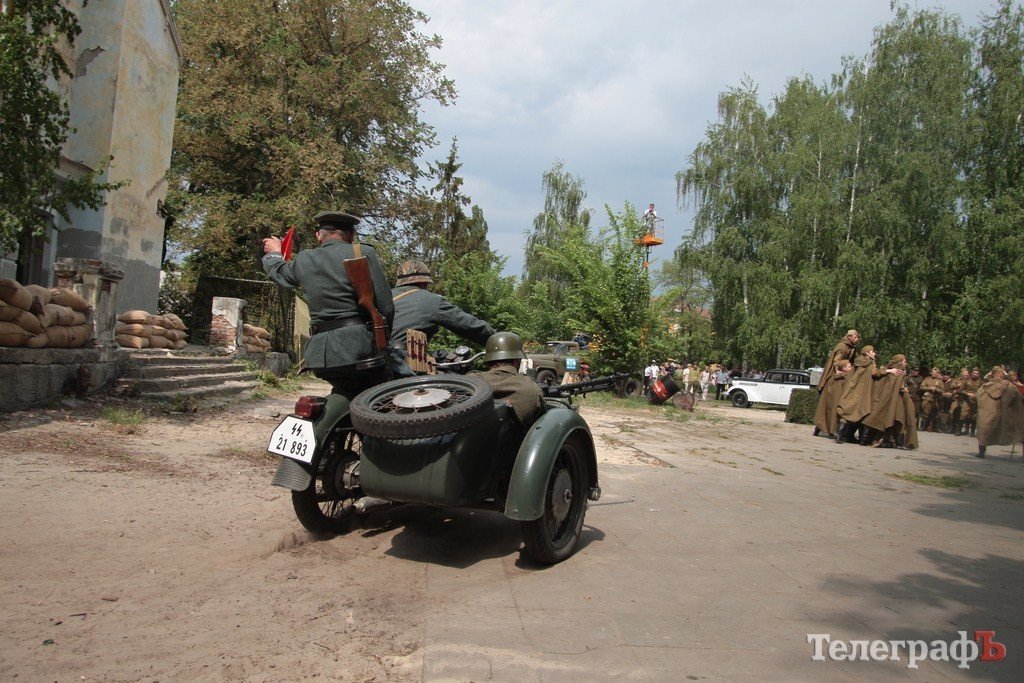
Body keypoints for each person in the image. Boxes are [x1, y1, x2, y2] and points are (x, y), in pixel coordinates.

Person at [262, 211, 393, 399]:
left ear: (318, 236)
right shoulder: (363, 252)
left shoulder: (304, 259)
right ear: (351, 235)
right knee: (380, 401)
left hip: (319, 354)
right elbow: (387, 308)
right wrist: (385, 343)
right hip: (360, 351)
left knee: (345, 393)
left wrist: (274, 252)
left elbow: (279, 271)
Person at [388, 259, 495, 377]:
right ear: (424, 283)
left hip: (376, 365)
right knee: (460, 384)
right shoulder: (430, 300)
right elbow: (470, 325)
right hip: (402, 368)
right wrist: (501, 340)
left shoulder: (385, 297)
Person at [470, 332, 545, 428]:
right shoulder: (530, 387)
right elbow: (540, 422)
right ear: (517, 360)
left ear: (488, 360)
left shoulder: (470, 382)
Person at [836, 345, 902, 444]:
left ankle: (841, 434)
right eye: (872, 351)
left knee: (848, 411)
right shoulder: (869, 363)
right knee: (860, 412)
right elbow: (875, 373)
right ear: (867, 353)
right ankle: (855, 438)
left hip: (853, 389)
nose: (874, 353)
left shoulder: (858, 362)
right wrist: (889, 370)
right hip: (862, 392)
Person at [862, 354, 915, 448]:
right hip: (896, 400)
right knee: (898, 420)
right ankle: (897, 443)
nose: (906, 363)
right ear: (900, 361)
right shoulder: (899, 371)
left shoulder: (888, 369)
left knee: (889, 419)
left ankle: (885, 441)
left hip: (886, 399)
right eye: (904, 361)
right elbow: (898, 386)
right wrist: (904, 389)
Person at [975, 365, 1024, 458]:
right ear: (1001, 374)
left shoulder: (984, 386)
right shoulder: (1009, 385)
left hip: (987, 413)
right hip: (1002, 413)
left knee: (983, 430)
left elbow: (977, 397)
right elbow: (1018, 398)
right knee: (1016, 426)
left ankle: (981, 452)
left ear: (992, 374)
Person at [812, 359, 852, 439]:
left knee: (828, 415)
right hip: (836, 401)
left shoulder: (837, 377)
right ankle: (834, 432)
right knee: (834, 415)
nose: (851, 368)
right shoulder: (842, 378)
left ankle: (819, 429)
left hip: (833, 401)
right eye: (849, 366)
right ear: (844, 368)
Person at [817, 329, 859, 396]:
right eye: (855, 337)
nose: (857, 339)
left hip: (845, 369)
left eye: (857, 337)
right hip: (836, 370)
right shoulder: (842, 346)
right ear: (849, 337)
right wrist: (837, 370)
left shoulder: (852, 347)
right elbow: (836, 360)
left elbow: (857, 359)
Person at [919, 367, 945, 432]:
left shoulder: (940, 381)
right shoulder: (926, 380)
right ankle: (923, 427)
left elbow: (942, 391)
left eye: (935, 373)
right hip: (927, 398)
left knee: (936, 414)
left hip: (936, 399)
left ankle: (936, 428)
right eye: (933, 372)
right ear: (931, 373)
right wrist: (929, 388)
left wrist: (936, 389)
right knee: (925, 413)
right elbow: (921, 387)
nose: (934, 374)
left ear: (938, 374)